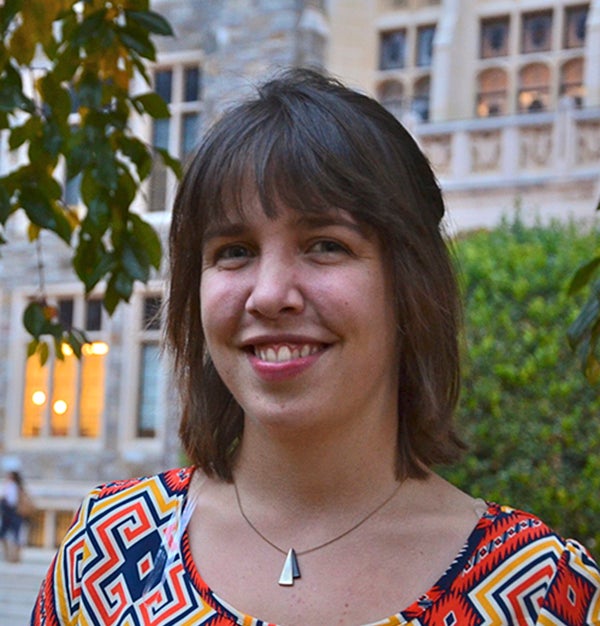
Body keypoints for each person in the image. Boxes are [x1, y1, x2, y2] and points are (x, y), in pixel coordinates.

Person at [31, 68, 600, 625]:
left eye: (326, 244)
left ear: (410, 283)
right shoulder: (103, 555)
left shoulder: (542, 591)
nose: (270, 294)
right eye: (233, 250)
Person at [1, 469, 27, 563]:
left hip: (11, 512)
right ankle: (14, 556)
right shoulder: (19, 487)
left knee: (11, 535)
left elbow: (10, 500)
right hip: (15, 513)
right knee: (16, 535)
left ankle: (12, 556)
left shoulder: (11, 486)